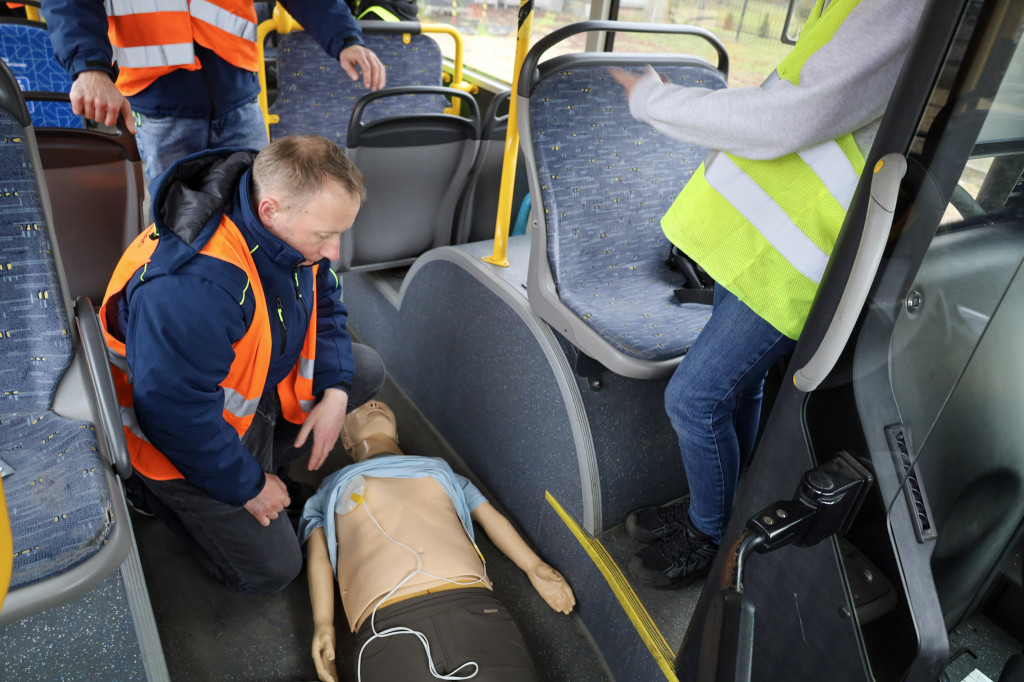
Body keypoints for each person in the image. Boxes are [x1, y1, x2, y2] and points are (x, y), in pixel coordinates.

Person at [610, 0, 926, 588]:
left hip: (797, 250)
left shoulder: (900, 8)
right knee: (742, 387)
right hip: (762, 238)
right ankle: (721, 506)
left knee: (694, 399)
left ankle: (710, 535)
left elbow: (790, 117)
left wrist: (652, 99)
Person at [99, 134, 386, 594]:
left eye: (340, 234)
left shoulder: (287, 226)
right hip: (171, 436)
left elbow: (325, 303)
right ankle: (152, 495)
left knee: (360, 370)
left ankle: (269, 466)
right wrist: (249, 485)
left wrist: (335, 392)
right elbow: (174, 416)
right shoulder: (195, 286)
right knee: (271, 570)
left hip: (244, 392)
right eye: (325, 236)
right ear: (270, 210)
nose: (333, 251)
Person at [300, 401, 576, 682]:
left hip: (474, 608)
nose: (373, 403)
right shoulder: (328, 489)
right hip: (386, 626)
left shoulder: (440, 471)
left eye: (383, 402)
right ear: (345, 438)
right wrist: (323, 623)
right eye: (358, 407)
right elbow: (319, 557)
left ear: (397, 432)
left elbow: (489, 516)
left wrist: (534, 567)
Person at [41, 0, 387, 185]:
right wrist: (88, 67)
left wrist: (343, 39)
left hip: (240, 98)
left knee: (256, 216)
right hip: (160, 104)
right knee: (178, 226)